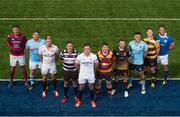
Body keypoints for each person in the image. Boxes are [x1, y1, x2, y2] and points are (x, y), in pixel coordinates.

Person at [7, 25, 32, 90]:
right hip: (13, 55)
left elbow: (26, 43)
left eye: (17, 29)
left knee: (23, 68)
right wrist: (12, 49)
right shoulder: (10, 36)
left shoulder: (23, 36)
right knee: (12, 69)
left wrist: (23, 48)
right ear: (12, 30)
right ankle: (11, 81)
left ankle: (26, 81)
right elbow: (8, 43)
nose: (16, 31)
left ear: (19, 30)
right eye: (14, 30)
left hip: (21, 55)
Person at [75, 43, 98, 108]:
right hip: (82, 75)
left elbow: (96, 65)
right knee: (81, 87)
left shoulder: (94, 56)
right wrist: (80, 70)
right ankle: (79, 100)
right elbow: (76, 64)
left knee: (91, 87)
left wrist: (94, 71)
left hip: (91, 74)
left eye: (88, 49)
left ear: (90, 49)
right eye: (85, 49)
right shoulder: (80, 56)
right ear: (83, 49)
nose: (87, 50)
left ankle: (92, 100)